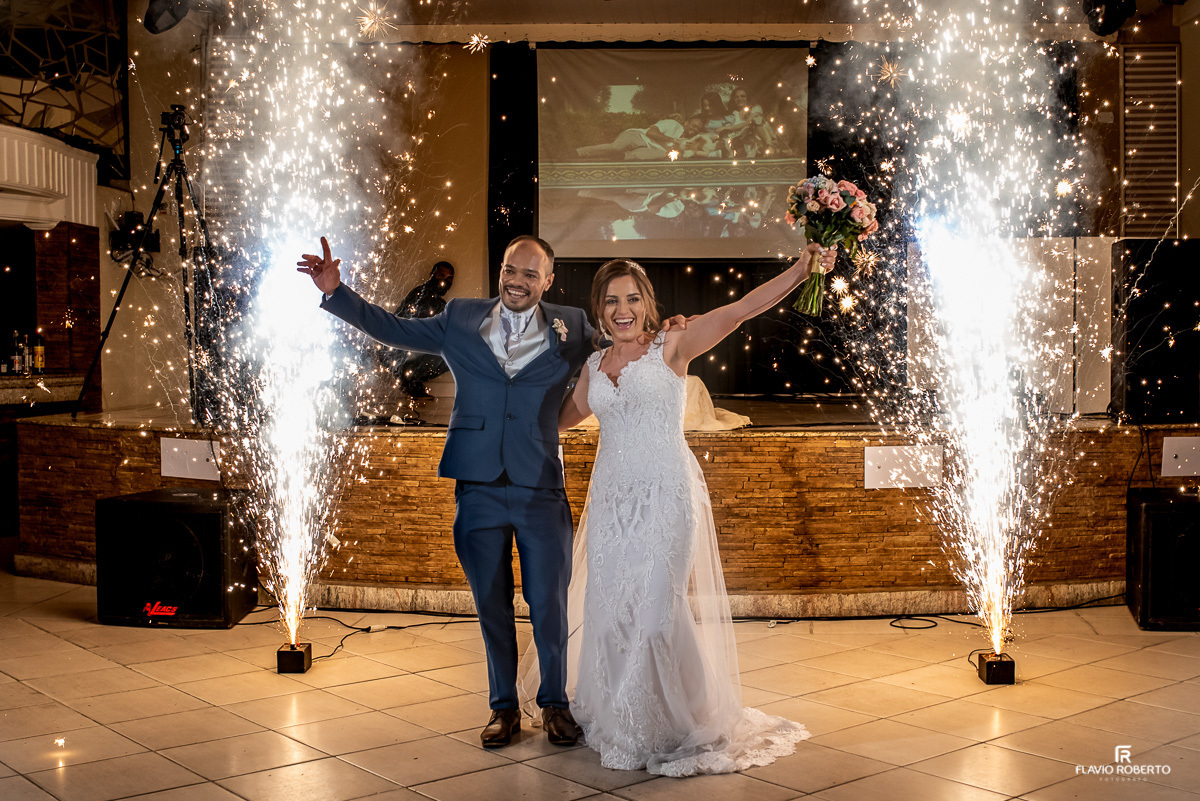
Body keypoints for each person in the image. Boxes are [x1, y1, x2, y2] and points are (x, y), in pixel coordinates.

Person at [297, 235, 592, 749]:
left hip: (540, 484)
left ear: (548, 281)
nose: (516, 281)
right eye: (509, 270)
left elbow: (625, 347)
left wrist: (666, 333)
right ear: (500, 271)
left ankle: (554, 705)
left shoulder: (573, 327)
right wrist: (336, 292)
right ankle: (503, 708)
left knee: (550, 604)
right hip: (475, 484)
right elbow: (392, 329)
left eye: (529, 274)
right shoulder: (460, 317)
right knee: (490, 604)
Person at [555, 242, 837, 776]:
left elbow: (739, 310)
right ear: (599, 308)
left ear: (648, 304)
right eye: (612, 300)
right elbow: (559, 419)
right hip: (612, 505)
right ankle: (621, 718)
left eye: (632, 298)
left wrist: (801, 270)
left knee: (658, 615)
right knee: (613, 612)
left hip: (666, 497)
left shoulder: (673, 344)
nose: (623, 309)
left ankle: (666, 725)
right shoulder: (594, 365)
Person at [385, 261, 454, 399]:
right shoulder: (421, 294)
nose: (444, 281)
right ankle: (408, 377)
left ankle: (410, 377)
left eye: (449, 278)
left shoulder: (440, 303)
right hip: (402, 352)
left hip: (411, 352)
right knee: (451, 352)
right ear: (432, 274)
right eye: (441, 275)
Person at [576, 116, 686, 161]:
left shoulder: (688, 141)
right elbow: (650, 133)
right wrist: (672, 140)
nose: (695, 129)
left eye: (698, 128)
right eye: (694, 125)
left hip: (647, 149)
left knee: (662, 154)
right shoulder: (674, 124)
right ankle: (578, 152)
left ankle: (621, 157)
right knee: (615, 147)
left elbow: (673, 155)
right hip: (638, 136)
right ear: (688, 121)